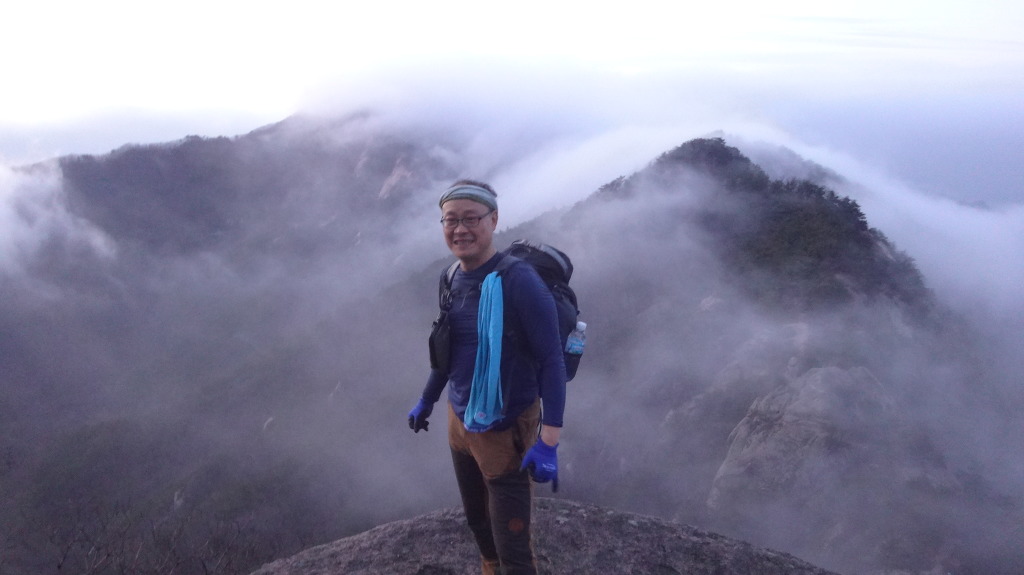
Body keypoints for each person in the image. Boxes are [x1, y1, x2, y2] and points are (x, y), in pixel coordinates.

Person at [408, 180, 566, 575]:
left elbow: (551, 360)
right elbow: (448, 350)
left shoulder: (519, 281)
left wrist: (549, 441)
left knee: (513, 546)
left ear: (493, 220)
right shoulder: (450, 277)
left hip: (504, 423)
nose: (460, 229)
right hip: (460, 418)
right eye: (451, 220)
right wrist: (427, 399)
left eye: (471, 219)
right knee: (478, 521)